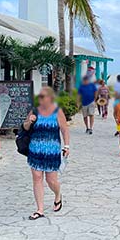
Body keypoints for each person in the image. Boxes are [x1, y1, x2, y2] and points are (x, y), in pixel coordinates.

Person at [24, 86, 70, 221]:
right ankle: (40, 209)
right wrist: (29, 121)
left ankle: (58, 195)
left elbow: (65, 130)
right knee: (37, 178)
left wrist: (66, 146)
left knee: (51, 180)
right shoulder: (34, 111)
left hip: (52, 152)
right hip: (35, 150)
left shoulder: (57, 111)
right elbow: (25, 127)